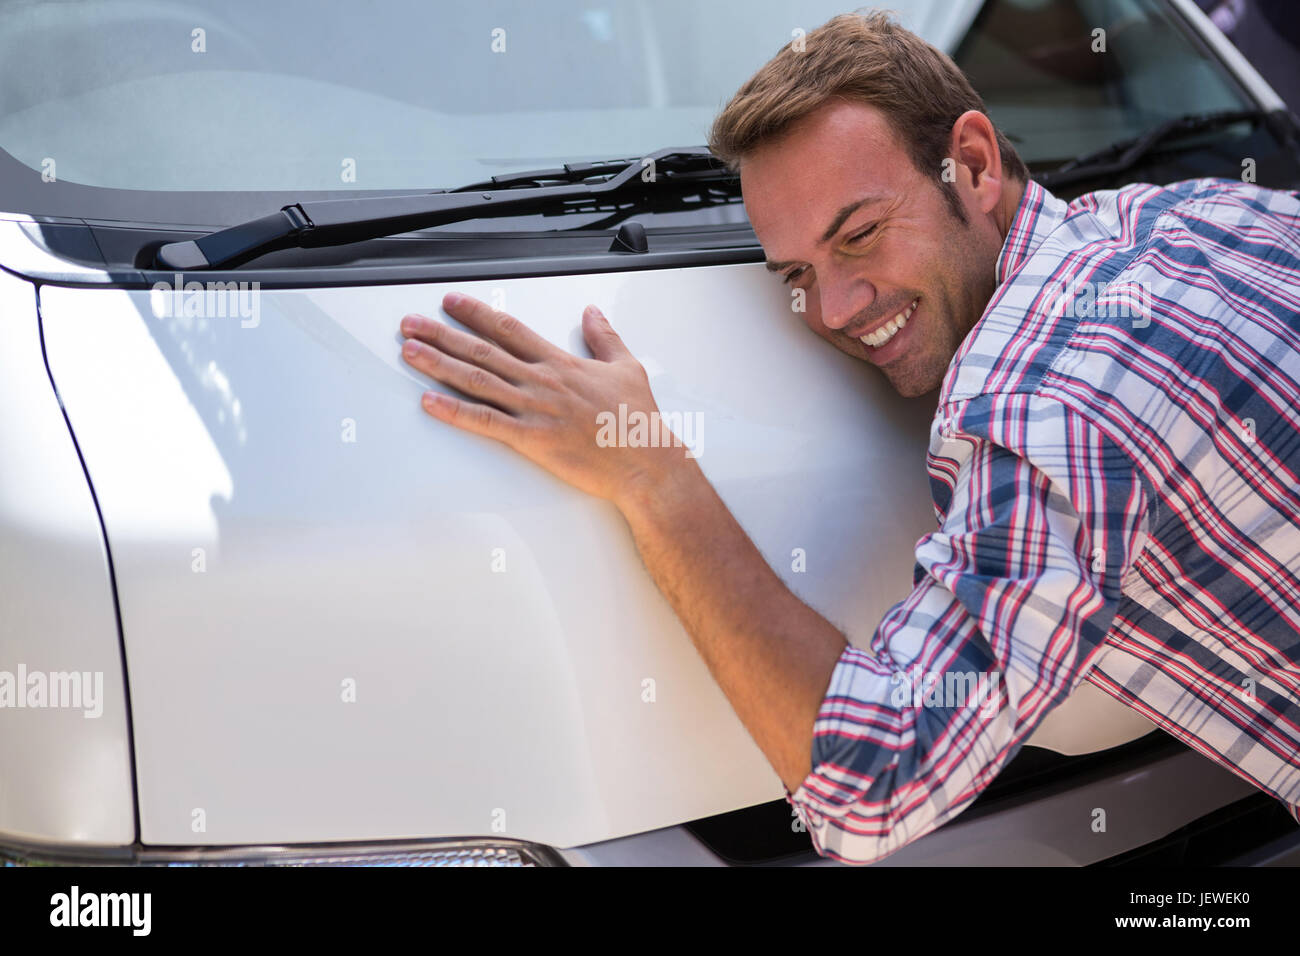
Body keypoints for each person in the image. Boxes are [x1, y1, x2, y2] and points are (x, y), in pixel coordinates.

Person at [397, 10, 1300, 864]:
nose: (833, 308)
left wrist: (655, 479)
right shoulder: (1203, 215)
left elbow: (874, 785)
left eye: (861, 235)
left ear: (974, 166)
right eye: (797, 272)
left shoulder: (1041, 406)